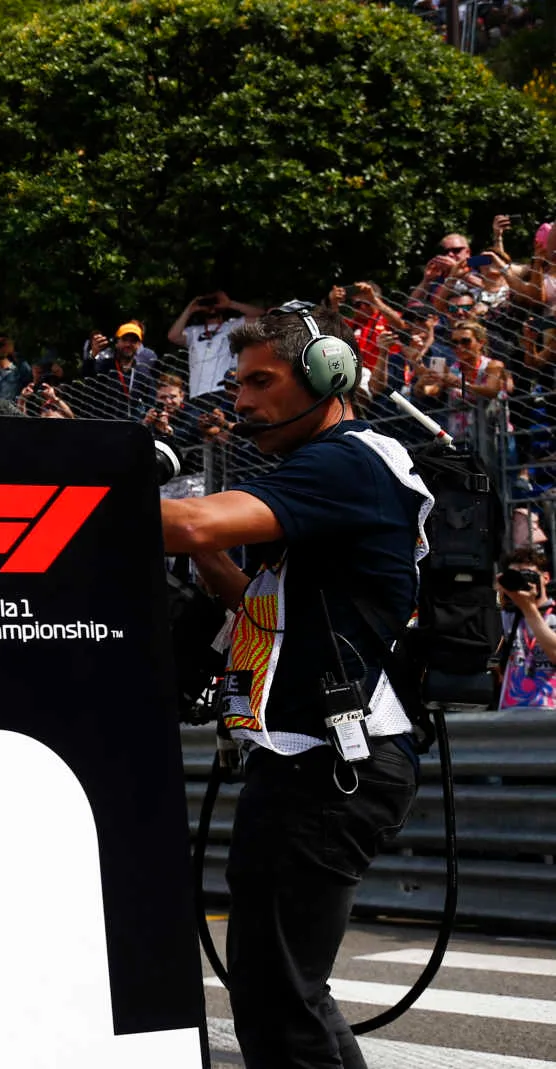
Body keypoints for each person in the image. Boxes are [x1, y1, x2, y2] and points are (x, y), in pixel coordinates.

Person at [158, 302, 429, 1069]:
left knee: (278, 996)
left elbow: (189, 524)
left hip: (330, 763)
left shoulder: (347, 462)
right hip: (314, 759)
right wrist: (210, 559)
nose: (240, 401)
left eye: (261, 382)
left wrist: (85, 484)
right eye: (237, 384)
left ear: (327, 376)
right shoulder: (332, 471)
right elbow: (259, 607)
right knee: (288, 991)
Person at [168, 291, 263, 398]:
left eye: (214, 302)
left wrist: (230, 304)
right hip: (198, 394)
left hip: (225, 392)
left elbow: (262, 317)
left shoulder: (234, 326)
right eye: (207, 303)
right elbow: (173, 336)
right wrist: (190, 309)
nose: (211, 306)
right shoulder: (193, 332)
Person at [497, 547, 556, 710]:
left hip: (550, 714)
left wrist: (528, 608)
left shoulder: (554, 614)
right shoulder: (506, 616)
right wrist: (497, 597)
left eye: (527, 575)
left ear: (545, 578)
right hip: (509, 714)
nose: (521, 583)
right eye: (515, 576)